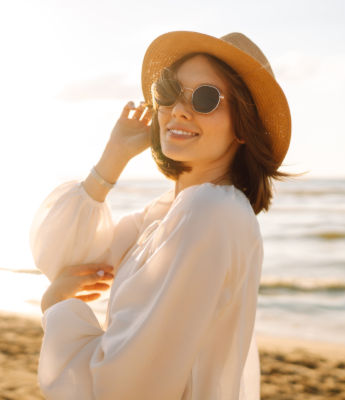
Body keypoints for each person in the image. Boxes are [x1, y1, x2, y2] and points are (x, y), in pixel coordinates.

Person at [29, 31, 291, 400]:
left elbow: (121, 389)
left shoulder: (208, 214)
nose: (178, 110)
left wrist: (55, 307)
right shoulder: (171, 211)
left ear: (244, 125)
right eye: (168, 93)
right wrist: (113, 157)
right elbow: (64, 259)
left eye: (205, 97)